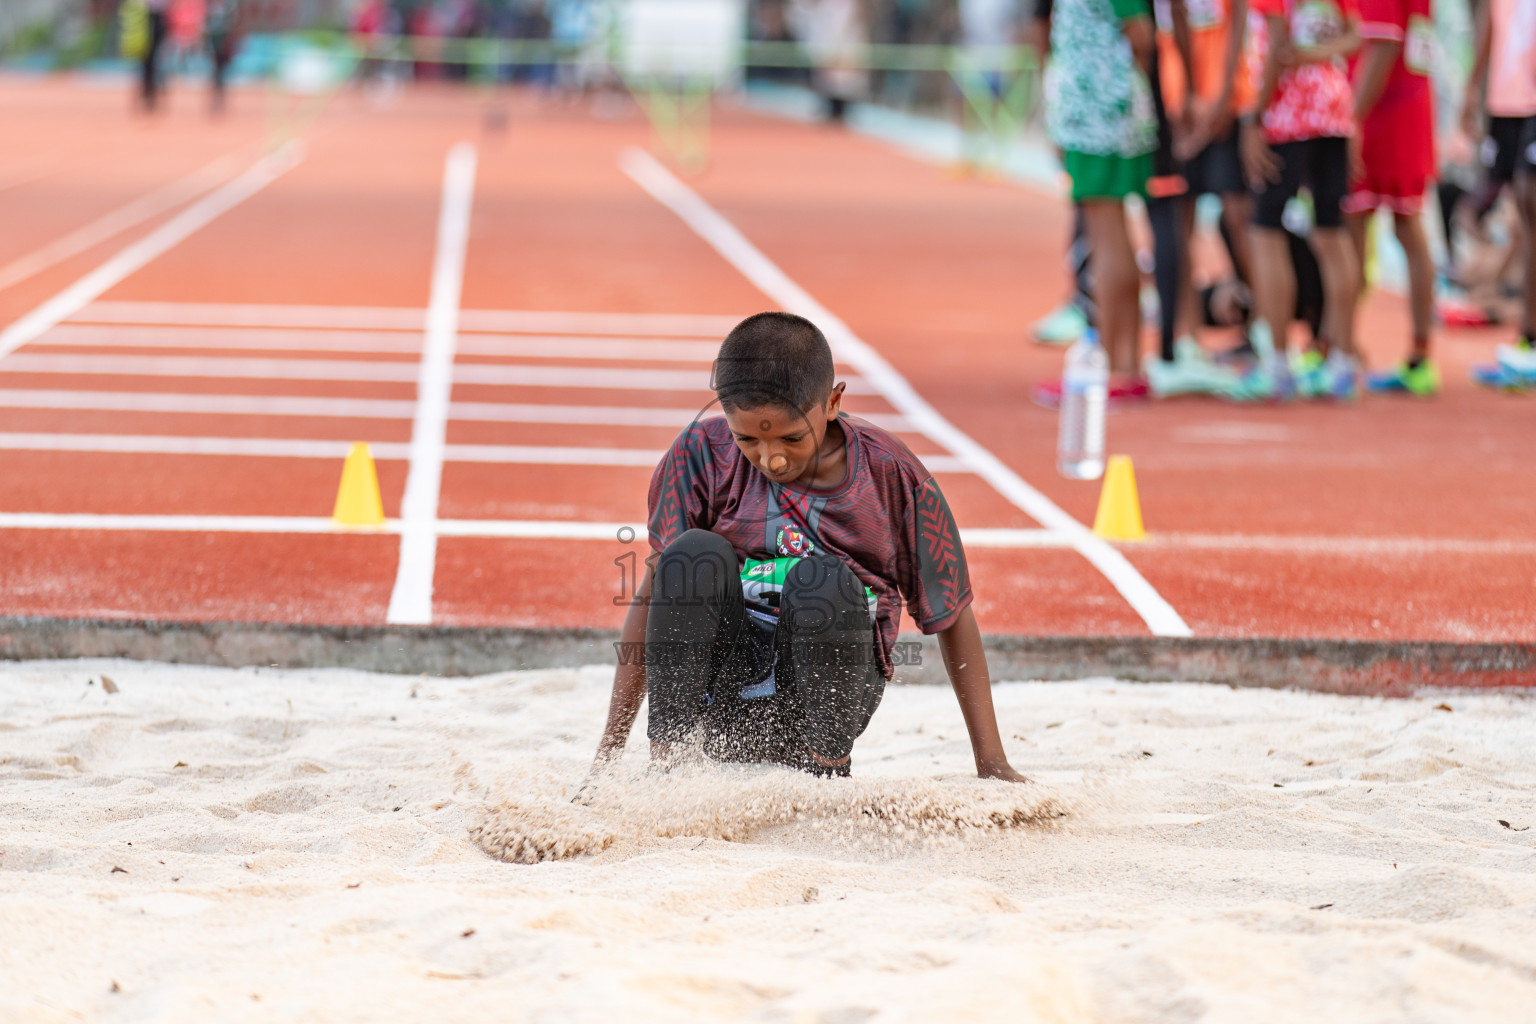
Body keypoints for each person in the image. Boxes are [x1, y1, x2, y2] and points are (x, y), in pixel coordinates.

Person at [584, 313, 1027, 783]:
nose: (771, 457)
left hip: (825, 696)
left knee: (823, 580)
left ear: (833, 401)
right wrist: (606, 759)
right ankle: (666, 771)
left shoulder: (893, 476)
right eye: (747, 439)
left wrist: (991, 761)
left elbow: (951, 613)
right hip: (723, 698)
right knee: (690, 554)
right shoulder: (700, 454)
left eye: (792, 438)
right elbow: (656, 594)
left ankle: (828, 779)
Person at [1240, 0, 1363, 399]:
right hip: (1333, 109)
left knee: (1266, 233)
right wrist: (1319, 55)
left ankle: (1277, 365)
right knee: (1332, 233)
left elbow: (1277, 48)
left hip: (1287, 113)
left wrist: (1253, 119)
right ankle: (1342, 363)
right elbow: (1354, 33)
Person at [1041, 0, 1159, 399]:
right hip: (1108, 103)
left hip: (1095, 109)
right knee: (1116, 233)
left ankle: (1112, 363)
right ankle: (1126, 362)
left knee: (1105, 235)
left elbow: (1140, 33)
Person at [1344, 0, 1440, 395]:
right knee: (1404, 228)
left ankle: (1340, 347)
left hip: (1383, 109)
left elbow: (1383, 45)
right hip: (1404, 101)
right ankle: (1415, 354)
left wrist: (1350, 118)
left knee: (1352, 225)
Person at [1463, 0, 1536, 389]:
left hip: (1529, 99)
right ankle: (1528, 338)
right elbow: (1490, 23)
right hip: (1509, 99)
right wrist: (1473, 85)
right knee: (1524, 213)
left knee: (1529, 203)